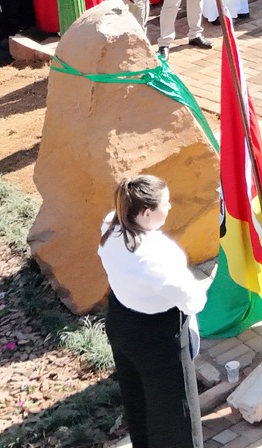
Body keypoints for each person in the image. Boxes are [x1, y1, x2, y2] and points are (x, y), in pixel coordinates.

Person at [99, 175, 208, 448]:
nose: (170, 207)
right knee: (175, 411)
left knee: (137, 397)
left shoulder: (112, 223)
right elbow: (191, 300)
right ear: (147, 213)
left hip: (122, 318)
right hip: (158, 335)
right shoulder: (155, 257)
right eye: (166, 203)